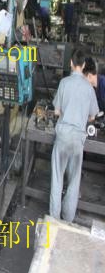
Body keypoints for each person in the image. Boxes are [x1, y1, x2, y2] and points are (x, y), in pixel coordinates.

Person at [50, 49, 99, 222]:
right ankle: (68, 219)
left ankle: (54, 219)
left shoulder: (64, 83)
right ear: (84, 65)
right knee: (73, 182)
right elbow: (93, 116)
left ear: (71, 63)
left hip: (63, 136)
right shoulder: (89, 88)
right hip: (78, 140)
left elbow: (57, 112)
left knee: (57, 179)